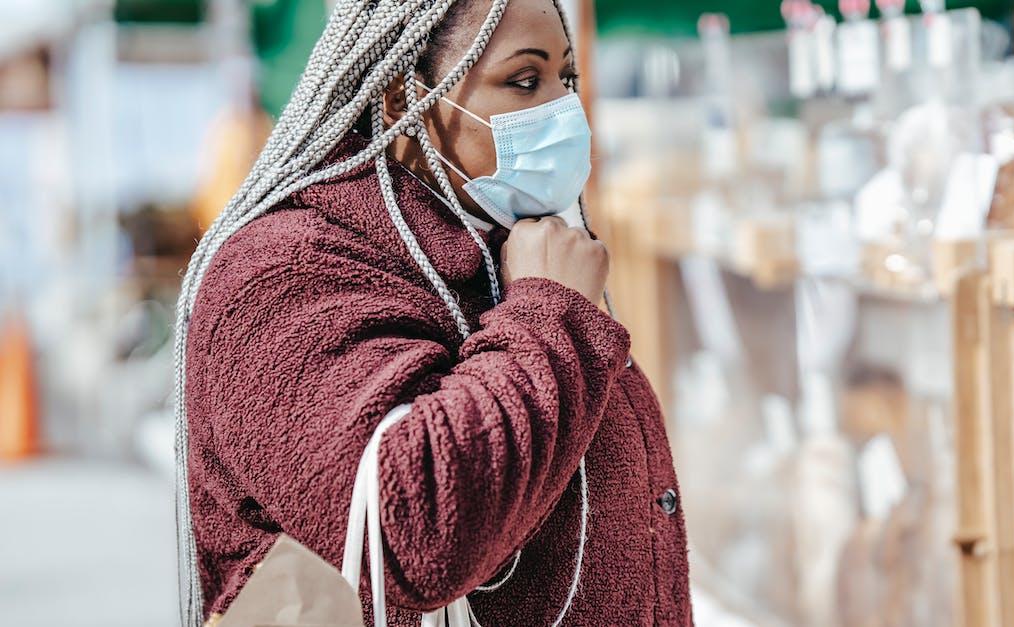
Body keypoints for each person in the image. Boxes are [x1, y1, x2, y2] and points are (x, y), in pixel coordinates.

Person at [172, 1, 693, 626]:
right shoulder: (278, 273)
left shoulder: (501, 245)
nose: (563, 109)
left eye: (568, 79)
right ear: (400, 99)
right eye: (525, 80)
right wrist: (552, 314)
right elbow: (414, 531)